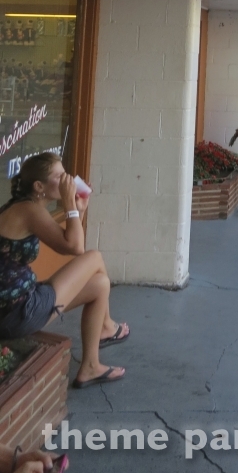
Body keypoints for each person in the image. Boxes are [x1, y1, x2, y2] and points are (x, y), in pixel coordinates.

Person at [0, 153, 129, 389]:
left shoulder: (23, 207)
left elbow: (67, 241)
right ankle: (107, 327)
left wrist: (77, 210)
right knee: (95, 257)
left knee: (100, 284)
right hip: (18, 312)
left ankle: (90, 365)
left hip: (14, 307)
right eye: (59, 176)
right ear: (39, 186)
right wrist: (69, 205)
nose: (67, 180)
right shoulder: (30, 212)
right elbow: (76, 248)